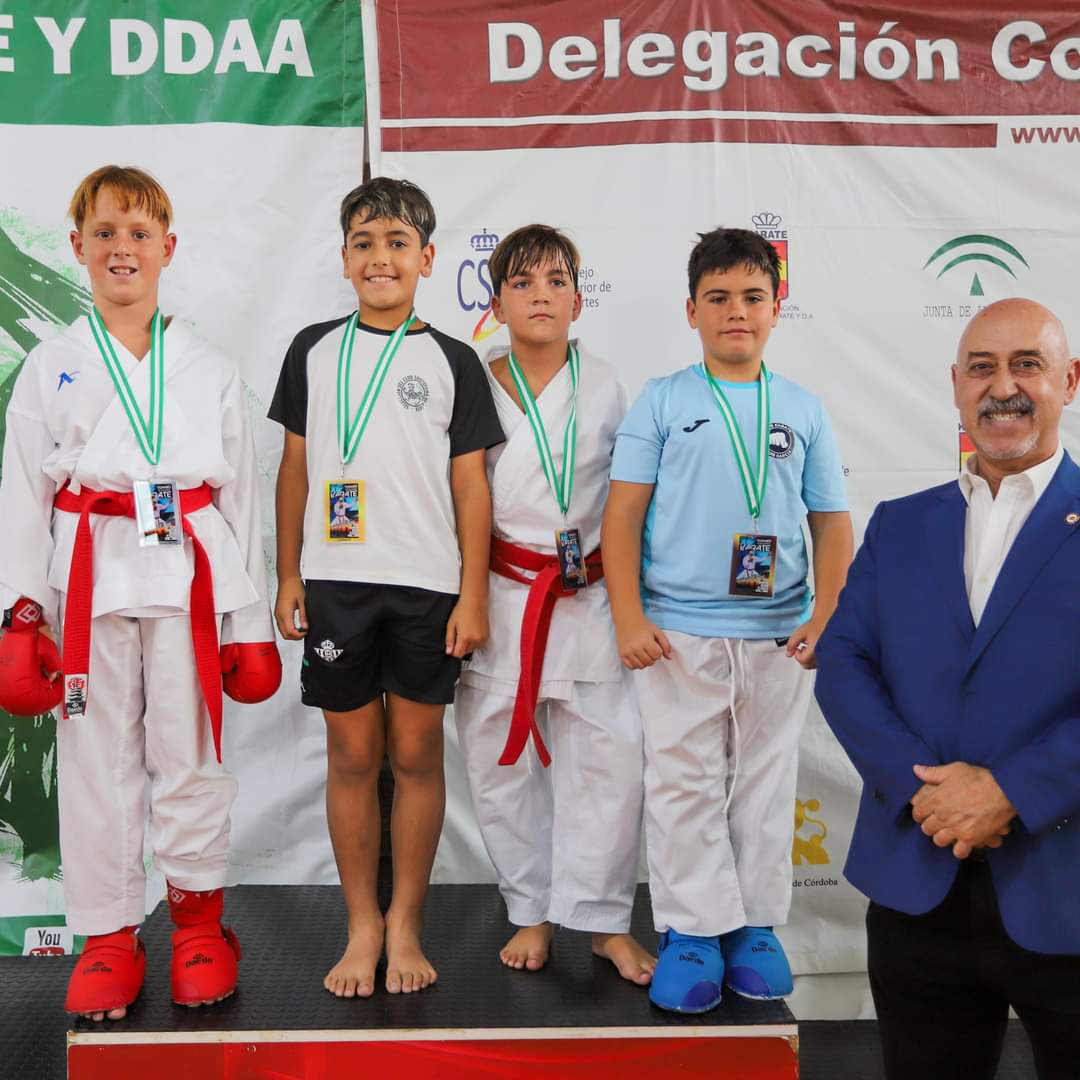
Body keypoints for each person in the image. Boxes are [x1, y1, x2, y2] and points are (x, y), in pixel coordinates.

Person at [0, 165, 280, 1020]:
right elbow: (22, 493)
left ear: (169, 248)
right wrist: (19, 615)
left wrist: (250, 620)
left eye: (140, 233)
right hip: (86, 584)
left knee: (188, 754)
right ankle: (109, 936)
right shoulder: (52, 365)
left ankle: (198, 924)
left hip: (191, 584)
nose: (124, 247)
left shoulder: (208, 366)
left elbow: (242, 504)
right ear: (79, 247)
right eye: (107, 233)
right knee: (96, 765)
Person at [816, 298, 1080, 1080]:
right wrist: (924, 791)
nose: (1004, 386)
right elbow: (843, 662)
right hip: (915, 884)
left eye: (1026, 364)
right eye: (982, 367)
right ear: (957, 388)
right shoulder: (900, 525)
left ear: (1069, 381)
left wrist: (1010, 790)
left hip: (1065, 889)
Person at [602, 227, 851, 1013]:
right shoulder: (664, 401)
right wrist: (630, 616)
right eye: (718, 298)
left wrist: (828, 613)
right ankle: (690, 930)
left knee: (767, 782)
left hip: (779, 634)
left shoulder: (804, 410)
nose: (735, 311)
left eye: (752, 296)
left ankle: (755, 927)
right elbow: (621, 520)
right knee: (683, 783)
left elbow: (832, 523)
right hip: (676, 632)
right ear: (691, 310)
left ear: (778, 307)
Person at [269, 177, 503, 999]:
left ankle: (406, 919)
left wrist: (473, 593)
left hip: (428, 588)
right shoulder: (312, 348)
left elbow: (472, 486)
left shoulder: (453, 359)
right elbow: (296, 466)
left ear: (428, 258)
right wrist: (288, 570)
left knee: (415, 754)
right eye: (364, 242)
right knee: (352, 754)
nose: (380, 257)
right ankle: (360, 924)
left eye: (398, 243)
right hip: (335, 584)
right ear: (343, 257)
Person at [454, 225, 653, 985]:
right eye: (523, 282)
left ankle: (603, 921)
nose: (541, 294)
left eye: (556, 281)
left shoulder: (605, 382)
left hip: (589, 595)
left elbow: (631, 502)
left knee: (609, 757)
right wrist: (465, 596)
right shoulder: (472, 378)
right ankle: (529, 908)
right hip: (504, 593)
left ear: (578, 297)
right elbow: (459, 495)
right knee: (498, 759)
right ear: (497, 300)